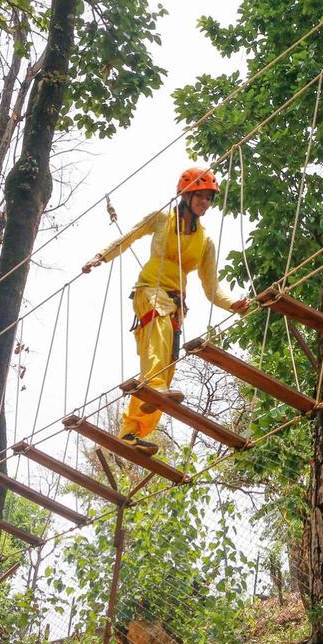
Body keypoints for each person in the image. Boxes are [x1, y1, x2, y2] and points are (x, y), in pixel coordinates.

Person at [82, 167, 249, 454]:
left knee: (165, 367)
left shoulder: (205, 242)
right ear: (186, 195)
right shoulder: (161, 220)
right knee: (157, 346)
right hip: (149, 291)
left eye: (209, 199)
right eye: (201, 196)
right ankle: (153, 387)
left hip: (175, 304)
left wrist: (233, 304)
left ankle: (131, 431)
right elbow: (129, 236)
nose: (205, 203)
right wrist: (101, 256)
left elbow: (212, 289)